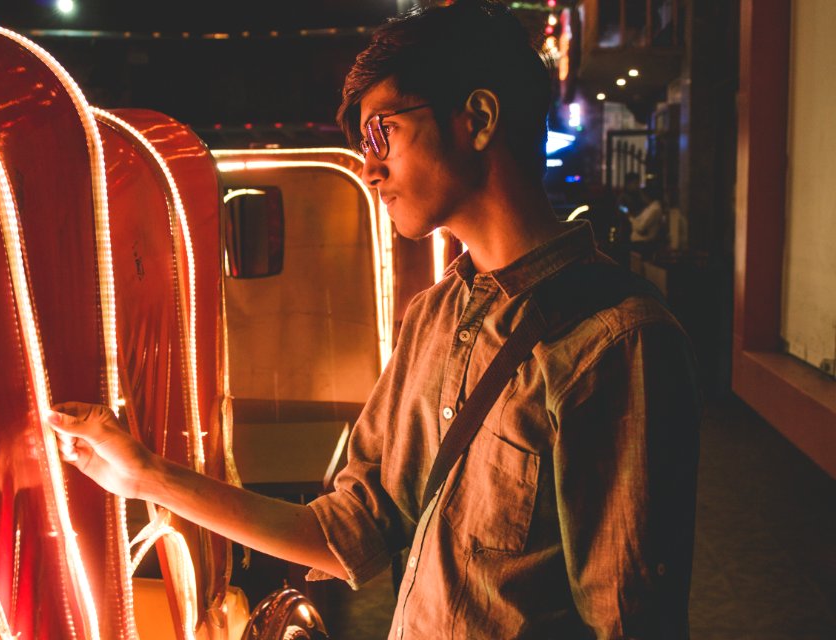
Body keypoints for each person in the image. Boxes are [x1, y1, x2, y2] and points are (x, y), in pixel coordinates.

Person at [51, 1, 700, 637]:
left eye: (380, 131)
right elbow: (345, 533)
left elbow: (630, 618)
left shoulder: (615, 340)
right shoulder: (432, 317)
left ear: (476, 118)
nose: (368, 165)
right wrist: (145, 475)